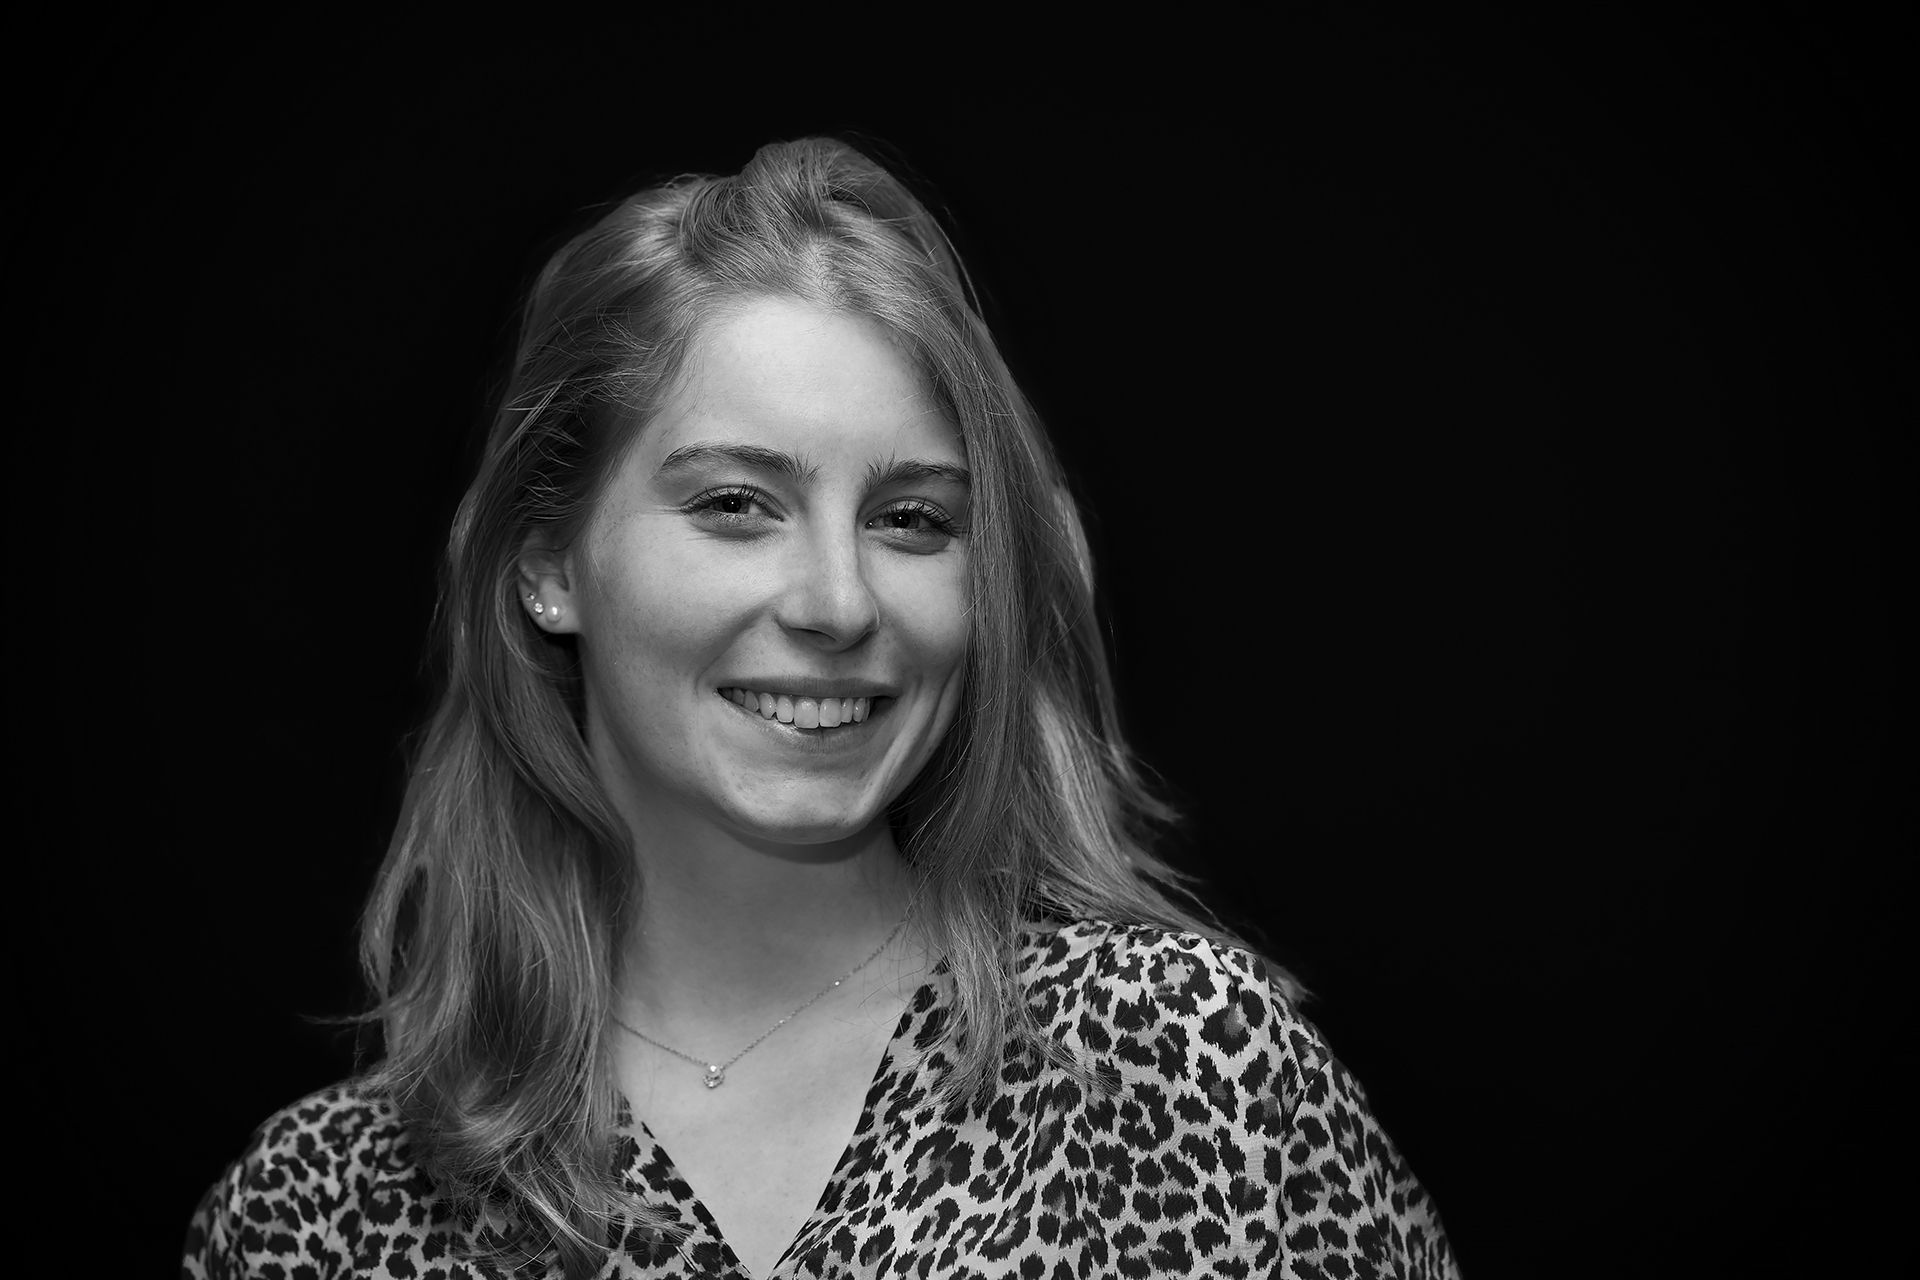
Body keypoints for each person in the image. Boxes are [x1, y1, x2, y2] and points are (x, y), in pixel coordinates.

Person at [182, 137, 1458, 1280]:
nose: (840, 602)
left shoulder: (1184, 1066)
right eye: (737, 504)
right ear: (548, 563)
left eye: (913, 519)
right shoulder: (320, 1212)